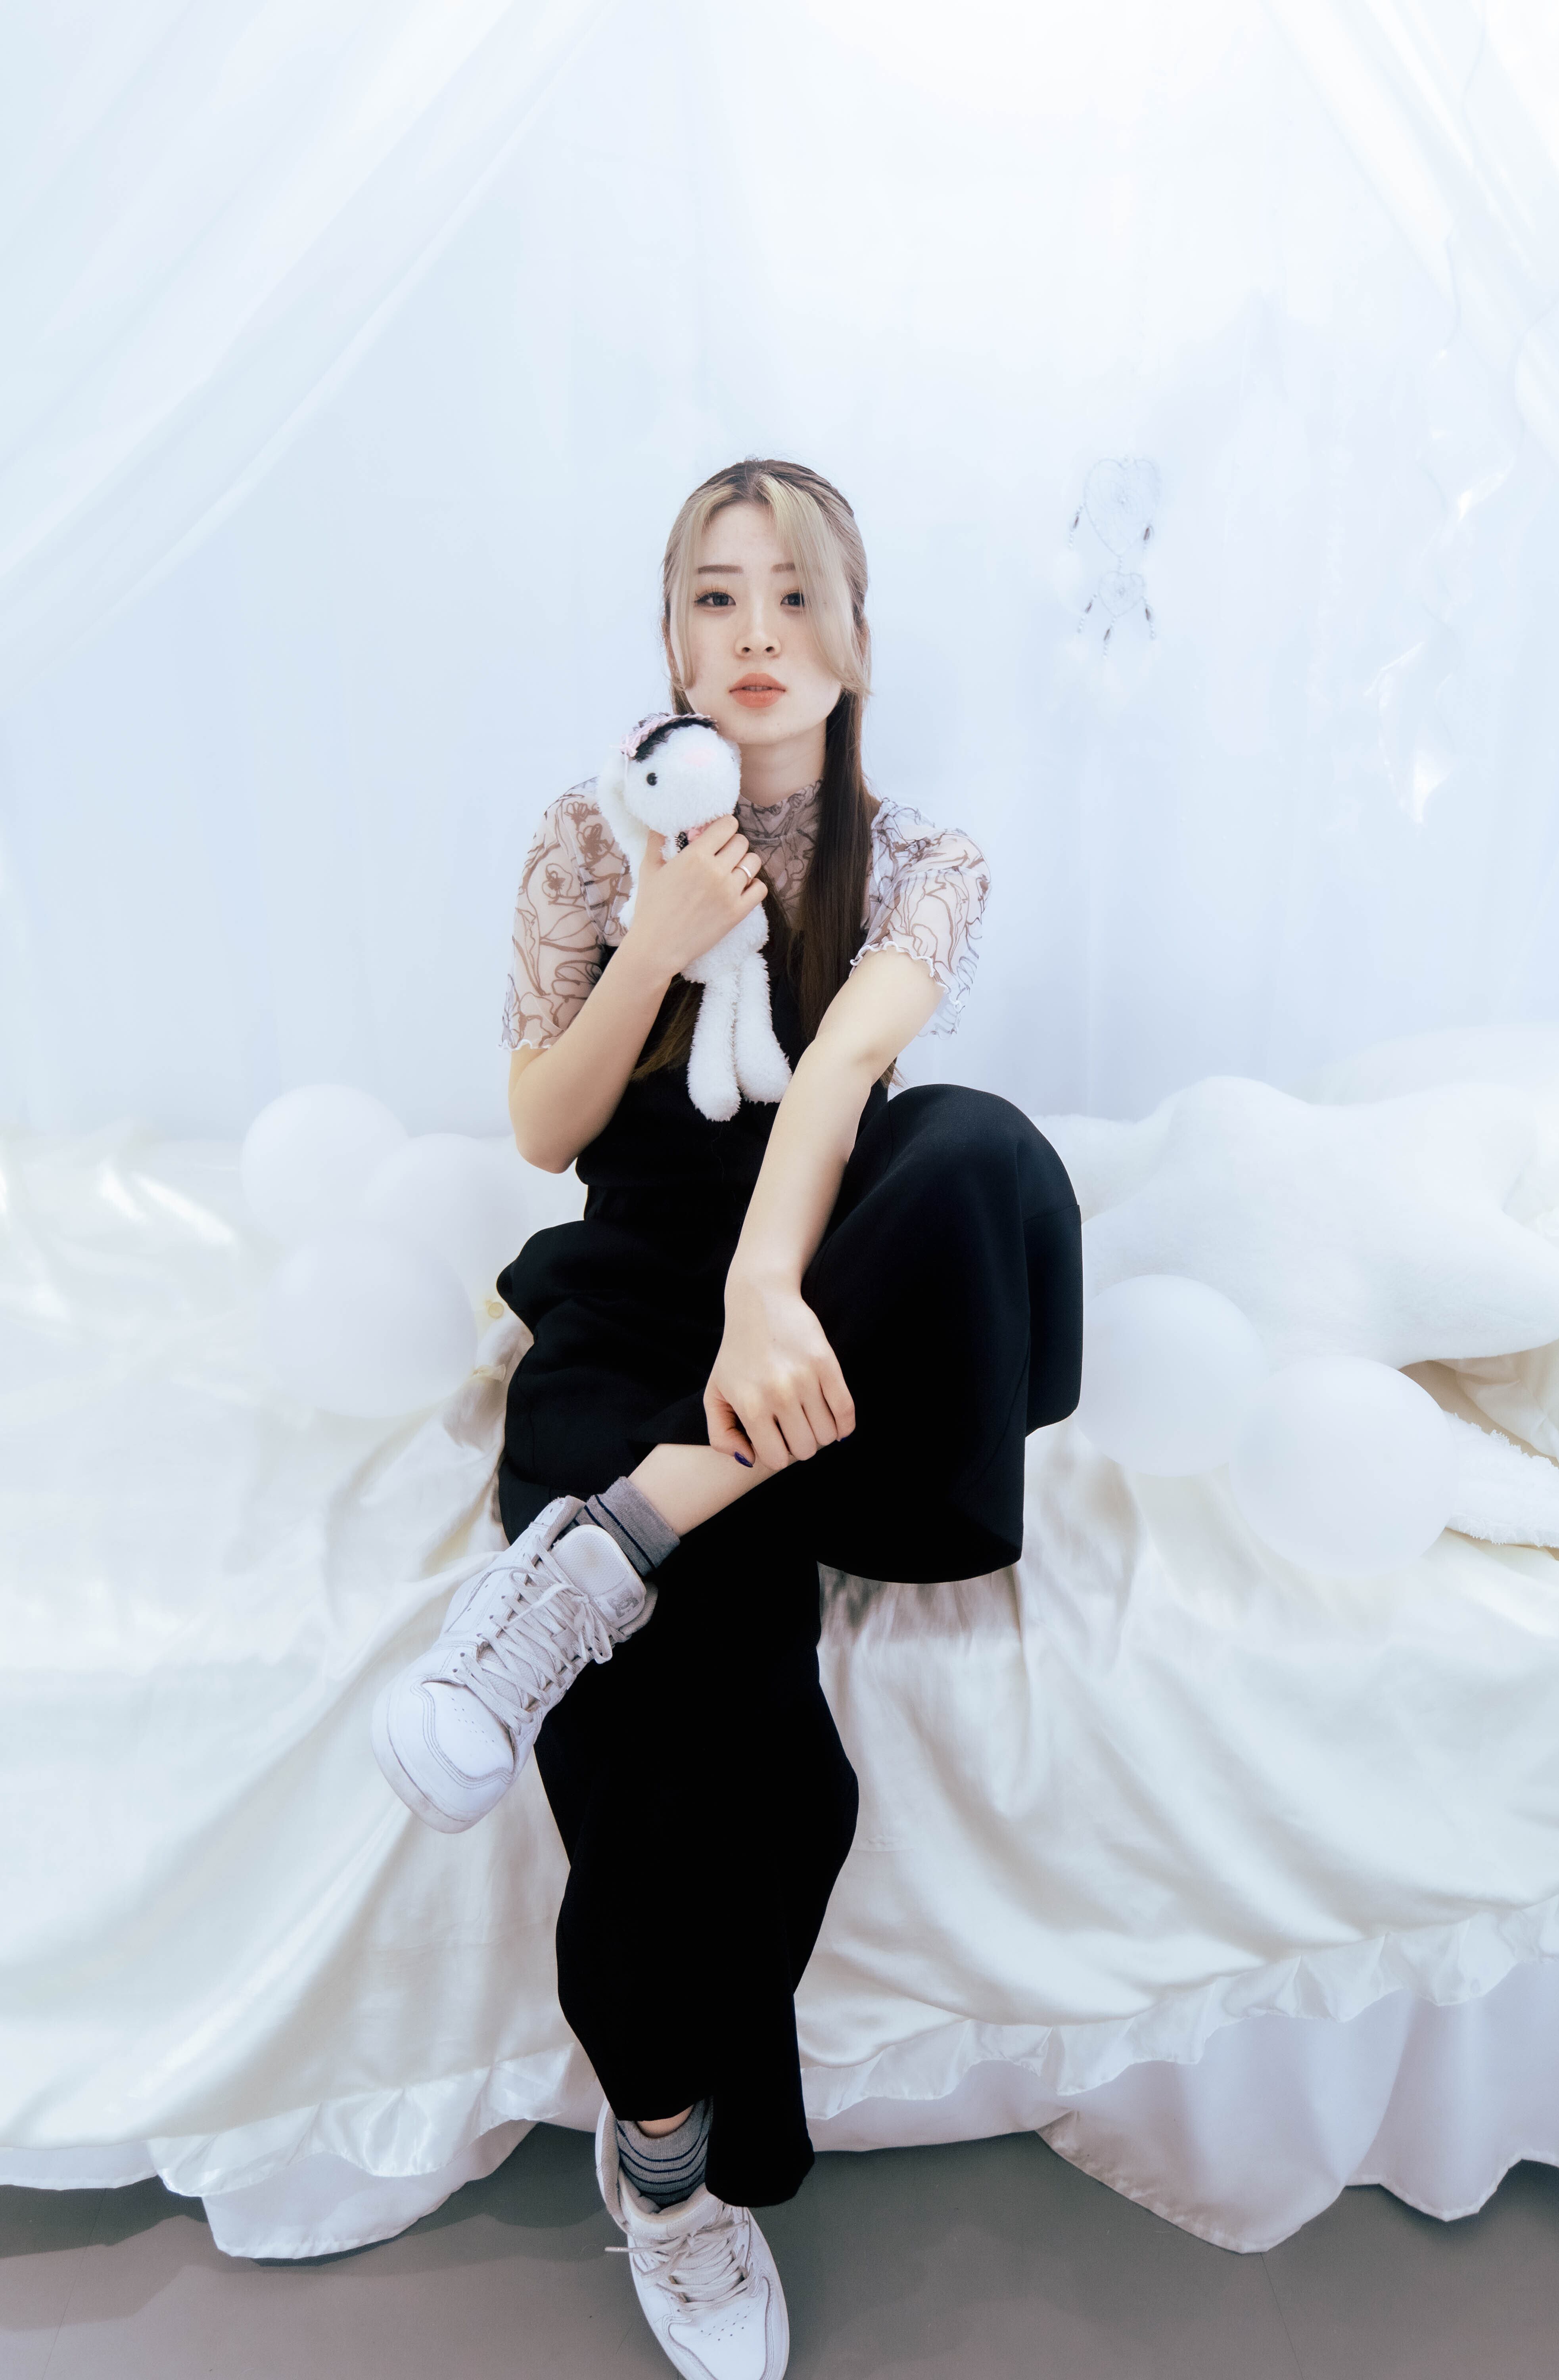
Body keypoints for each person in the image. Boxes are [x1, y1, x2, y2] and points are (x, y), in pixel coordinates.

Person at [373, 459, 1082, 2380]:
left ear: (854, 636)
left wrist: (769, 1295)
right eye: (714, 596)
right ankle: (671, 2172)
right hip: (633, 1305)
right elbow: (546, 1128)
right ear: (670, 639)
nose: (755, 633)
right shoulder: (590, 835)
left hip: (819, 1311)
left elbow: (840, 1078)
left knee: (973, 1155)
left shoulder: (921, 859)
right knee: (715, 1750)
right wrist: (657, 933)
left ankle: (620, 1533)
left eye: (792, 595)